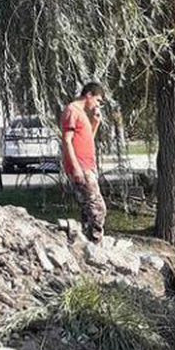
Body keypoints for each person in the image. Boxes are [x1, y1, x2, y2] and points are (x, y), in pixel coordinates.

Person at [61, 81, 107, 243]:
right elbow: (67, 141)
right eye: (98, 100)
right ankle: (95, 242)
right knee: (98, 209)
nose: (98, 105)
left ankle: (86, 242)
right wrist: (76, 169)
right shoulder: (72, 111)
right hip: (81, 168)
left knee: (88, 208)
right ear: (88, 95)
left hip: (88, 166)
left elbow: (87, 140)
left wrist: (95, 123)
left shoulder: (82, 114)